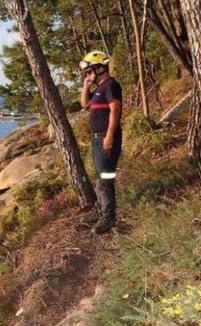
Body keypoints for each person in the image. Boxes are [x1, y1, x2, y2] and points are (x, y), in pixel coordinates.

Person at [79, 50, 123, 235]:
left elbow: (115, 111)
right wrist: (86, 85)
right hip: (97, 138)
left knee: (105, 178)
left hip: (105, 137)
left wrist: (109, 136)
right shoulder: (99, 88)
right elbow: (84, 104)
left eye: (90, 71)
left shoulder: (111, 86)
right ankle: (103, 211)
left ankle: (108, 217)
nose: (88, 74)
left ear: (99, 68)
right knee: (101, 177)